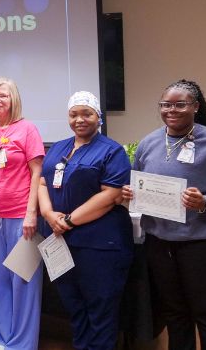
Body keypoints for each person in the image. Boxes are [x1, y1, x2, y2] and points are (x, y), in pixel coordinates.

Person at [122, 79, 206, 350]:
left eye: (180, 104)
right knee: (175, 315)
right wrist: (131, 195)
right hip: (159, 243)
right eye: (166, 104)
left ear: (195, 107)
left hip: (202, 245)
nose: (172, 110)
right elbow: (138, 184)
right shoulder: (148, 143)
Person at [38, 91, 133, 350]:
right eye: (73, 114)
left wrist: (68, 221)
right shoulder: (59, 147)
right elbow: (43, 182)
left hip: (100, 245)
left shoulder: (111, 151)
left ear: (98, 117)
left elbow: (111, 194)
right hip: (60, 241)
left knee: (100, 309)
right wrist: (48, 214)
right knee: (74, 306)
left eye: (86, 113)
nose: (80, 119)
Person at [0, 77, 44, 350]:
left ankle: (23, 344)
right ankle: (4, 340)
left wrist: (31, 214)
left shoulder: (27, 129)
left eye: (3, 95)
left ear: (13, 99)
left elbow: (37, 172)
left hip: (21, 217)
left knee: (23, 280)